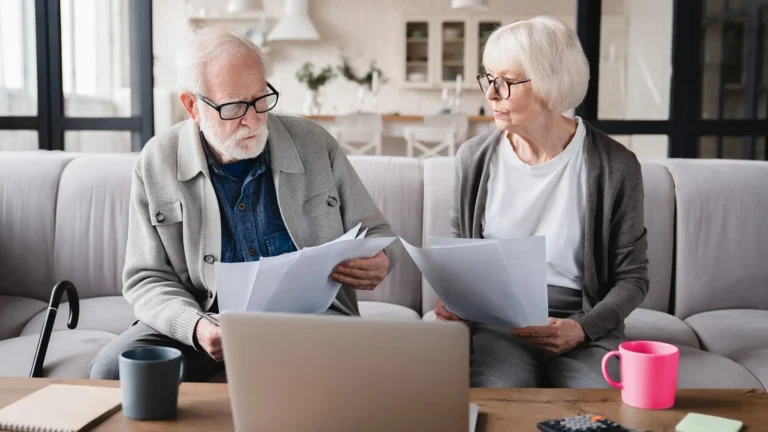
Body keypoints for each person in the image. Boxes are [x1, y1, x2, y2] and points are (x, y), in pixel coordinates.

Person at [90, 28, 399, 381]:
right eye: (234, 106)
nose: (252, 119)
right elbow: (146, 278)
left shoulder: (314, 144)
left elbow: (379, 236)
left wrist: (380, 262)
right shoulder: (156, 162)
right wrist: (197, 328)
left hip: (311, 322)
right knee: (111, 371)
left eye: (260, 99)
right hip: (206, 322)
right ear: (192, 106)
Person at [434, 16, 649, 388]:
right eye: (488, 77)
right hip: (498, 323)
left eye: (506, 81)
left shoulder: (615, 165)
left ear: (551, 82)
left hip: (583, 319)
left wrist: (583, 329)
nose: (491, 94)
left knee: (591, 408)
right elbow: (461, 256)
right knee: (499, 394)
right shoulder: (474, 158)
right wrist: (455, 300)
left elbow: (633, 277)